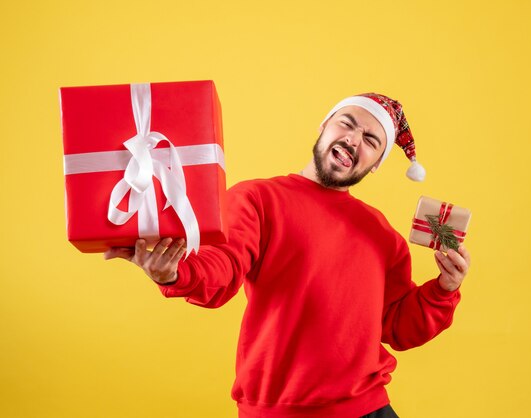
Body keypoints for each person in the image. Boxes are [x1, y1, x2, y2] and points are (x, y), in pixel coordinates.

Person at [105, 93, 472, 418]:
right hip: (276, 411)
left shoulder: (382, 234)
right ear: (325, 124)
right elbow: (224, 266)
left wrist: (443, 288)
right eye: (347, 123)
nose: (353, 140)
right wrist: (176, 273)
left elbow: (397, 325)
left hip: (368, 409)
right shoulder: (257, 199)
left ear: (376, 163)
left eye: (371, 140)